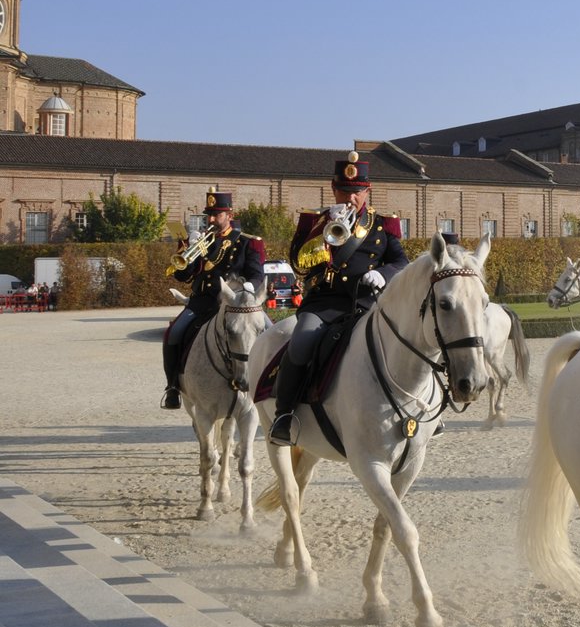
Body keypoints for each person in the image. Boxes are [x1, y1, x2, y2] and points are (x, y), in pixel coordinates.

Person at [269, 152, 408, 446]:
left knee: (406, 341)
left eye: (356, 192)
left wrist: (383, 274)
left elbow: (401, 263)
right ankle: (284, 414)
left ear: (367, 192)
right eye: (344, 191)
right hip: (323, 304)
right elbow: (298, 264)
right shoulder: (314, 221)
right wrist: (321, 232)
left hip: (367, 305)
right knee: (302, 342)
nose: (350, 198)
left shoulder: (383, 225)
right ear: (333, 189)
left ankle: (423, 411)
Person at [160, 189, 265, 408]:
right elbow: (182, 275)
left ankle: (270, 387)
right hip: (202, 302)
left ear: (230, 215)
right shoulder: (202, 243)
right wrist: (187, 252)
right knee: (174, 332)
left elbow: (257, 274)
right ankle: (172, 387)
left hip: (236, 305)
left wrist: (246, 289)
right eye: (209, 214)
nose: (211, 220)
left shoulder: (246, 242)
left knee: (272, 332)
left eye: (216, 214)